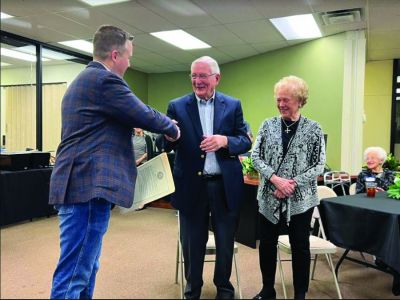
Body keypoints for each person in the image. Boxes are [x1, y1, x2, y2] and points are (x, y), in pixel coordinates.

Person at [48, 25, 179, 299]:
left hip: (81, 186)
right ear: (116, 55)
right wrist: (172, 128)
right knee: (74, 272)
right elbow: (142, 112)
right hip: (86, 186)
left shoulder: (87, 81)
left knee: (86, 267)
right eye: (129, 57)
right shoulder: (103, 81)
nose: (130, 63)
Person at [158, 56, 251, 299]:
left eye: (203, 76)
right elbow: (162, 144)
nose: (197, 81)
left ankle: (224, 287)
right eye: (194, 76)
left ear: (216, 78)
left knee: (224, 240)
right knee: (192, 242)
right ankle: (193, 289)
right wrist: (168, 136)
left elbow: (245, 141)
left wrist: (225, 141)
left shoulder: (232, 105)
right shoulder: (177, 106)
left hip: (224, 186)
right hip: (191, 185)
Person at [251, 75, 326, 300]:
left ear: (300, 101)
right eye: (278, 99)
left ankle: (300, 294)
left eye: (286, 100)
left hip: (300, 199)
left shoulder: (313, 128)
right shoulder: (268, 124)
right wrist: (276, 179)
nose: (281, 104)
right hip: (269, 196)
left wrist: (290, 184)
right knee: (266, 245)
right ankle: (267, 290)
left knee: (300, 246)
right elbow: (255, 156)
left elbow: (319, 164)